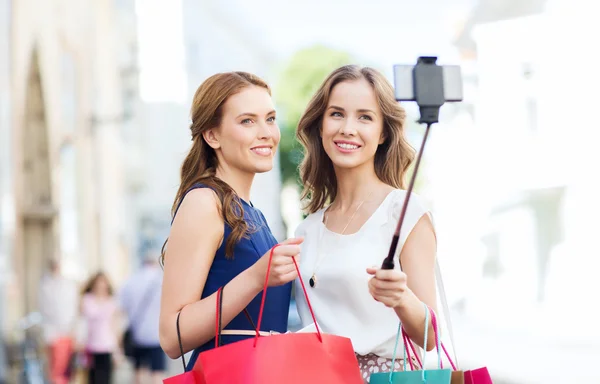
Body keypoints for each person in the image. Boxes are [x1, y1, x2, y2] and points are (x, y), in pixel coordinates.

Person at [294, 65, 438, 383]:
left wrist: (401, 297)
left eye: (365, 117)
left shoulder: (403, 210)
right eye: (336, 114)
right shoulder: (307, 229)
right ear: (320, 125)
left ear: (383, 132)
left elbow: (430, 336)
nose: (348, 128)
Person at [159, 71, 303, 369]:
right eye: (247, 121)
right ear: (212, 136)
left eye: (271, 118)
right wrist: (254, 278)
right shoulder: (204, 202)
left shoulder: (253, 213)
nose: (265, 132)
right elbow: (172, 337)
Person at [119, 252, 165, 384]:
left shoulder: (131, 280)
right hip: (157, 336)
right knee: (157, 373)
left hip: (137, 334)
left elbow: (122, 308)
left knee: (138, 372)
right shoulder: (161, 280)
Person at [38, 259, 78, 384]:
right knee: (54, 366)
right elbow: (45, 309)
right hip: (52, 332)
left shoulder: (68, 285)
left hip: (65, 331)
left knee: (64, 367)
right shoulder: (45, 285)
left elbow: (72, 309)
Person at [80, 272, 121, 384]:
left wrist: (117, 351)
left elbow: (114, 326)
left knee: (106, 379)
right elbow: (82, 322)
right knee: (92, 379)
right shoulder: (87, 300)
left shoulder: (111, 302)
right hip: (90, 347)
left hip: (107, 346)